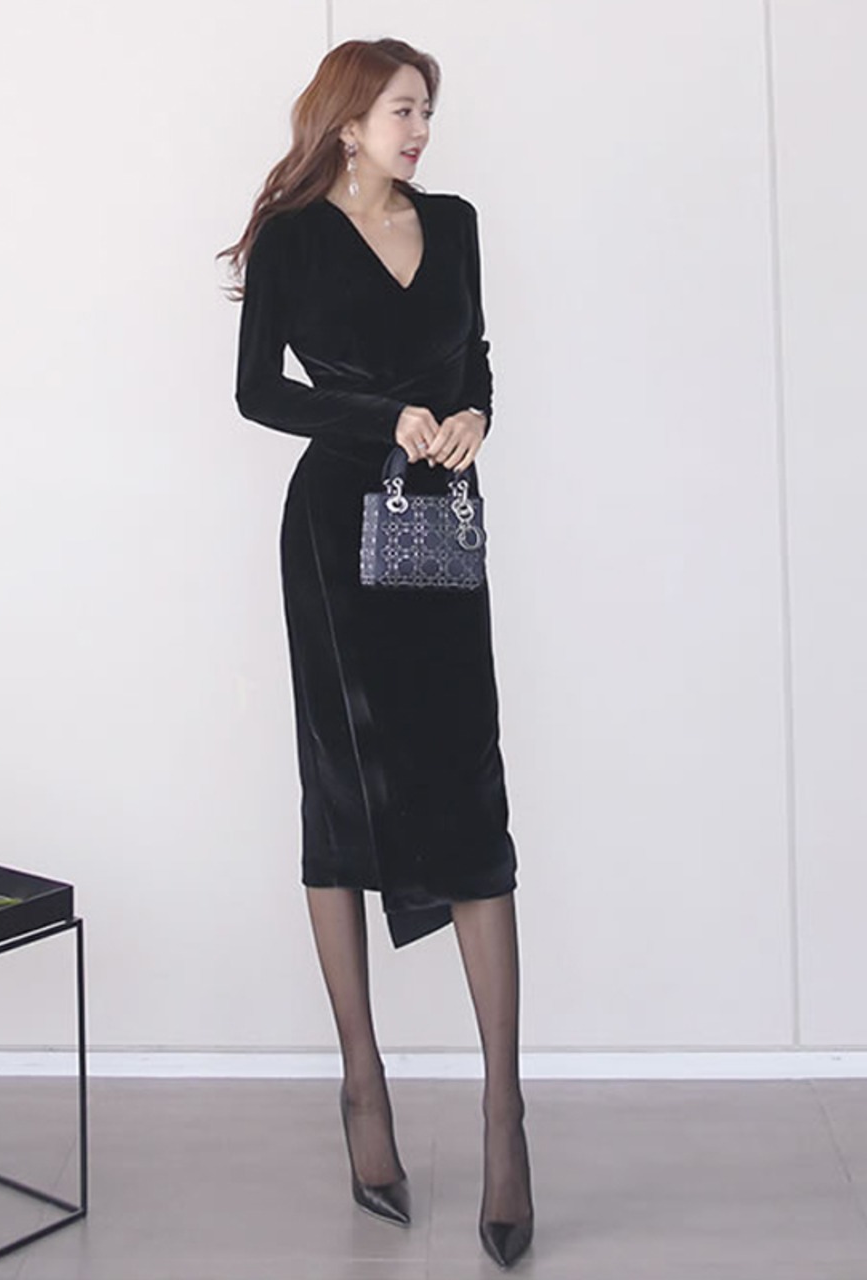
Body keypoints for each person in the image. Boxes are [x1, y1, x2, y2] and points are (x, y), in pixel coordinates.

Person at [223, 38, 533, 1269]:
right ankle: (362, 1080)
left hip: (438, 522)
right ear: (348, 120)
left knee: (467, 789)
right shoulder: (293, 238)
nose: (420, 129)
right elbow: (256, 391)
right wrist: (379, 415)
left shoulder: (452, 223)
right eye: (403, 109)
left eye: (426, 111)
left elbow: (477, 360)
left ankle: (503, 1112)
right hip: (334, 536)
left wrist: (468, 416)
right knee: (343, 785)